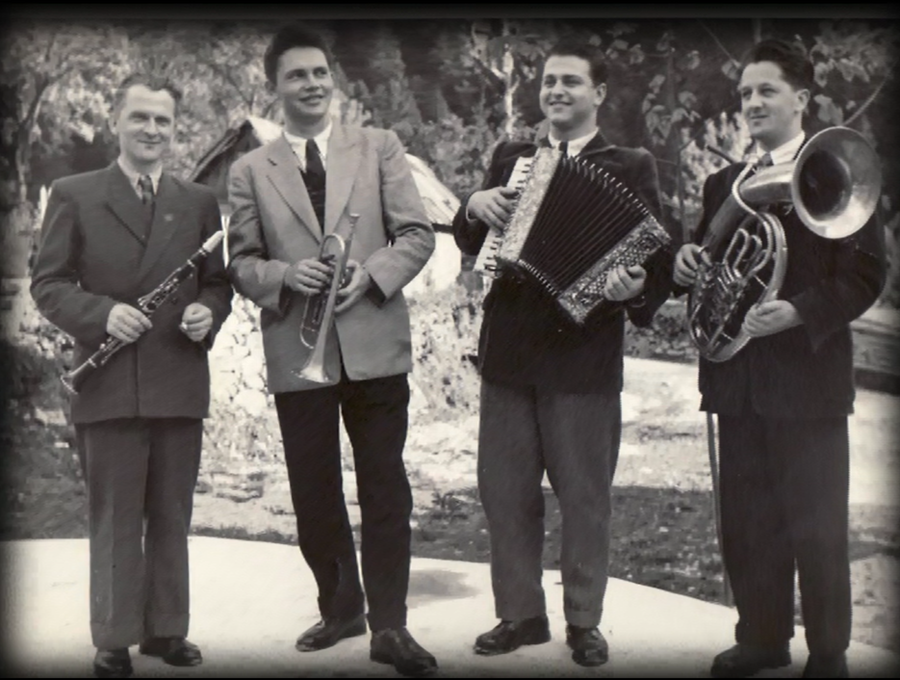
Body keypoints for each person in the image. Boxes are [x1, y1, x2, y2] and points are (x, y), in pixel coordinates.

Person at [452, 38, 677, 668]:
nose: (555, 91)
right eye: (549, 80)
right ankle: (520, 614)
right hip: (509, 353)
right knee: (504, 491)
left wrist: (635, 289)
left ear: (597, 93)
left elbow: (657, 259)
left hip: (582, 359)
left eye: (570, 81)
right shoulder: (511, 157)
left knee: (584, 497)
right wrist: (473, 205)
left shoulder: (631, 164)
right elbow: (472, 238)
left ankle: (584, 621)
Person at [226, 23, 437, 678]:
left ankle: (391, 626)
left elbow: (417, 234)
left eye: (320, 72)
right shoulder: (248, 169)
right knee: (314, 493)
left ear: (332, 79)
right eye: (297, 75)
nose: (312, 84)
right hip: (299, 351)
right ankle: (340, 607)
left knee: (385, 488)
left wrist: (370, 275)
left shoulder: (379, 146)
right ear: (275, 86)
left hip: (374, 344)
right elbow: (241, 262)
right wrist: (286, 275)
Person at [673, 38, 885, 679]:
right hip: (737, 381)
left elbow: (866, 275)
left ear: (802, 99)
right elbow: (712, 270)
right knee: (749, 524)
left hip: (808, 383)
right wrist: (688, 264)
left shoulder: (832, 171)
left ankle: (828, 653)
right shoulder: (723, 184)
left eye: (767, 90)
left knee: (817, 526)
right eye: (745, 93)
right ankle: (762, 639)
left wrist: (797, 311)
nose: (753, 102)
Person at [30, 73, 233, 679]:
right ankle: (114, 637)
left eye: (162, 120)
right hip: (107, 380)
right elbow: (48, 284)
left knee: (171, 512)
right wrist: (102, 315)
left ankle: (167, 630)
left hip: (177, 376)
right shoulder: (73, 193)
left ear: (174, 129)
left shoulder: (198, 201)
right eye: (139, 117)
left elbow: (218, 284)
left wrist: (207, 313)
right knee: (115, 515)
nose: (151, 129)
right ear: (115, 121)